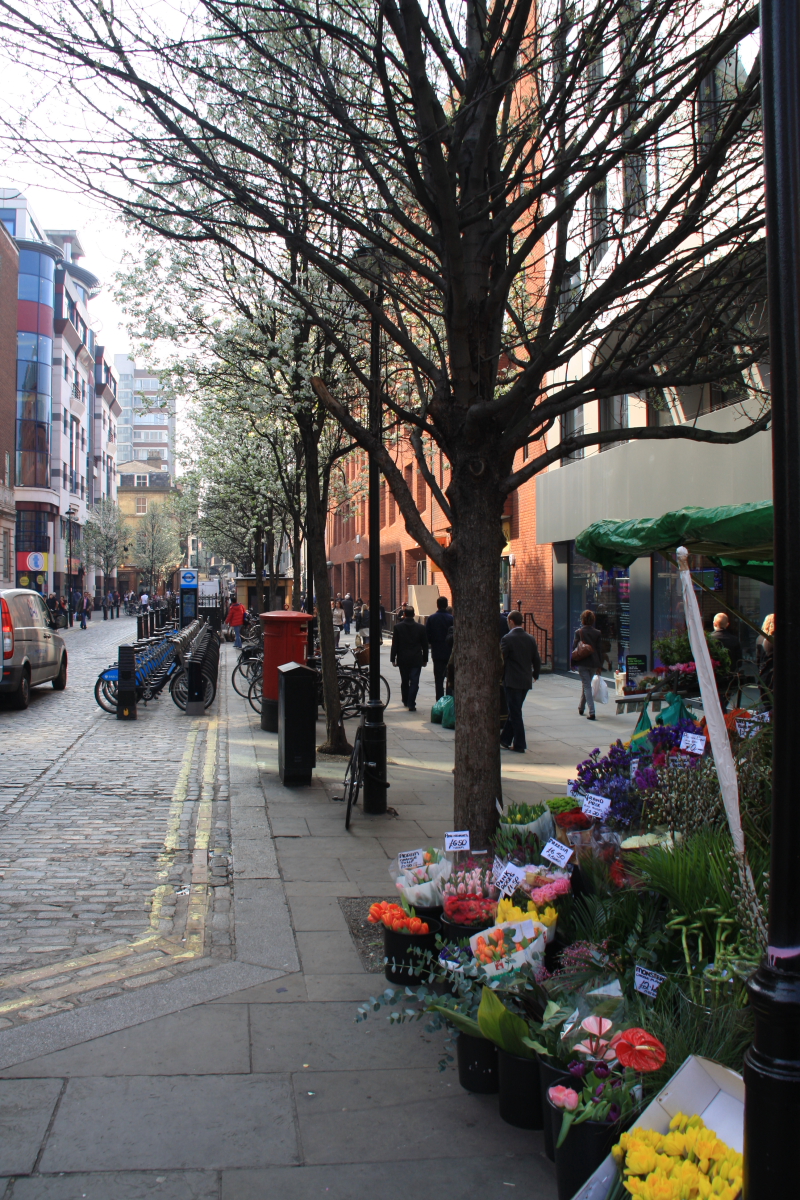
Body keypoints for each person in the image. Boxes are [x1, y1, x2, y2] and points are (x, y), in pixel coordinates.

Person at [500, 610, 541, 752]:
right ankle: (505, 739)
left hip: (512, 680)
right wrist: (535, 674)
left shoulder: (507, 639)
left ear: (511, 621)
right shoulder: (530, 638)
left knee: (515, 712)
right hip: (525, 680)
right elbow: (536, 659)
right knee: (515, 710)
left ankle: (519, 744)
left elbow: (502, 660)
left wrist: (499, 675)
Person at [391, 605, 429, 711]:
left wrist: (393, 658)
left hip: (402, 658)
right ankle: (411, 702)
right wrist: (425, 659)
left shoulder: (398, 627)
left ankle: (405, 699)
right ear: (414, 615)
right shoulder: (421, 628)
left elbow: (395, 644)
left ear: (404, 614)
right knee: (414, 681)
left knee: (405, 680)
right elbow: (425, 645)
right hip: (416, 658)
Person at [572, 609, 602, 720]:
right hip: (593, 663)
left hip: (582, 662)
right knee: (586, 685)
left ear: (583, 620)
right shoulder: (597, 633)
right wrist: (599, 665)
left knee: (587, 686)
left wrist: (572, 663)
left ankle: (592, 712)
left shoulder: (578, 632)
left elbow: (574, 649)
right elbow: (599, 650)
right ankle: (581, 707)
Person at [709, 612, 743, 712]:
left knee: (716, 703)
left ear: (714, 623)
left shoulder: (709, 639)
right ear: (727, 624)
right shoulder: (734, 640)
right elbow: (739, 662)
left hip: (713, 677)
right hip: (729, 679)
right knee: (723, 701)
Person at [425, 596, 454, 701]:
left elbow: (427, 636)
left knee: (438, 679)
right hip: (449, 652)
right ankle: (448, 700)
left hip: (437, 652)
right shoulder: (451, 618)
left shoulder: (431, 618)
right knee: (449, 678)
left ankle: (439, 700)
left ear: (437, 605)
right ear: (446, 605)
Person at [756, 614, 774, 709]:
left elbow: (758, 660)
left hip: (764, 676)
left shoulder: (760, 639)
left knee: (766, 704)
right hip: (773, 675)